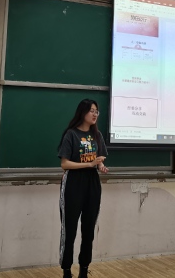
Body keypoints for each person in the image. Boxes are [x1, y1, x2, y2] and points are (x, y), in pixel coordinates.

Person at [58, 99, 109, 278]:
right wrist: (89, 164)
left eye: (97, 111)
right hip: (73, 183)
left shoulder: (97, 135)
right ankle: (66, 270)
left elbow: (99, 159)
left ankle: (84, 270)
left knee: (88, 230)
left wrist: (100, 166)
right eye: (92, 111)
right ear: (83, 112)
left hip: (92, 183)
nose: (95, 114)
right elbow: (64, 164)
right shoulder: (71, 134)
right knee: (69, 230)